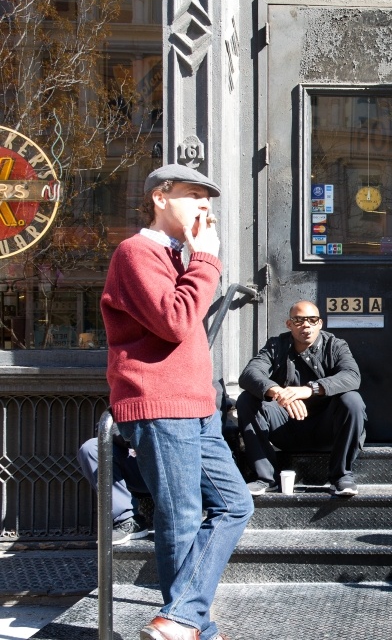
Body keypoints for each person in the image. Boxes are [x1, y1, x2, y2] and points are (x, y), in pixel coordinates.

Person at [101, 164, 253, 640]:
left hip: (196, 404)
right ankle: (190, 625)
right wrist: (207, 260)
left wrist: (196, 260)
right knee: (181, 517)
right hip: (159, 402)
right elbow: (175, 320)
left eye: (209, 200)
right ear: (160, 197)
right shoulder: (136, 252)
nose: (205, 207)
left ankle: (186, 620)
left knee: (235, 504)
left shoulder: (177, 256)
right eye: (193, 195)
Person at [237, 300, 367, 497]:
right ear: (289, 324)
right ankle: (265, 478)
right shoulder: (276, 345)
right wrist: (279, 392)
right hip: (286, 427)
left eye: (312, 320)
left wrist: (309, 389)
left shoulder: (335, 345)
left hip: (327, 429)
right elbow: (249, 374)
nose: (306, 325)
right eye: (298, 320)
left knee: (352, 400)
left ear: (320, 323)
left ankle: (341, 477)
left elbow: (351, 375)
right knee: (247, 399)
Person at [76, 424, 151, 545]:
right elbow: (108, 424)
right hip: (138, 461)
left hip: (175, 463)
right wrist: (136, 441)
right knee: (92, 448)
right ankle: (127, 519)